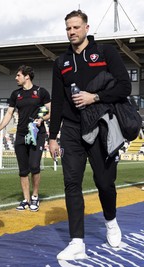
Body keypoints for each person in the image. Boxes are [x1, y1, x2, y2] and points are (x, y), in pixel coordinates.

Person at [48, 10, 132, 261]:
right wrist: (53, 136)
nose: (71, 32)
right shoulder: (60, 62)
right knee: (72, 183)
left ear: (86, 27)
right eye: (68, 28)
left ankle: (111, 222)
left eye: (75, 27)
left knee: (104, 182)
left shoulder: (106, 53)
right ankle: (77, 242)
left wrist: (94, 97)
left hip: (101, 126)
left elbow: (125, 86)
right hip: (71, 130)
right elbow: (58, 100)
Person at [0, 65, 51, 212]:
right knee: (23, 169)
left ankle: (35, 196)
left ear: (27, 76)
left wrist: (41, 119)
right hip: (20, 134)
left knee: (34, 166)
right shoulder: (16, 94)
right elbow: (9, 114)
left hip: (37, 134)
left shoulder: (41, 92)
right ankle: (26, 199)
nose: (16, 78)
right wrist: (0, 128)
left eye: (18, 75)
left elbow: (50, 111)